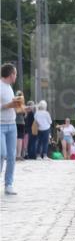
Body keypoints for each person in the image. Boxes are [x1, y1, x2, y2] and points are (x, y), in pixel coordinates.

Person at [1, 64, 22, 194]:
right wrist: (9, 105)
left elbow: (12, 107)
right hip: (0, 125)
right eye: (15, 74)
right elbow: (5, 105)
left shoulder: (10, 88)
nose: (16, 76)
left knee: (11, 156)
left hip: (12, 125)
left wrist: (23, 109)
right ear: (11, 74)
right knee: (1, 153)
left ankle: (9, 184)